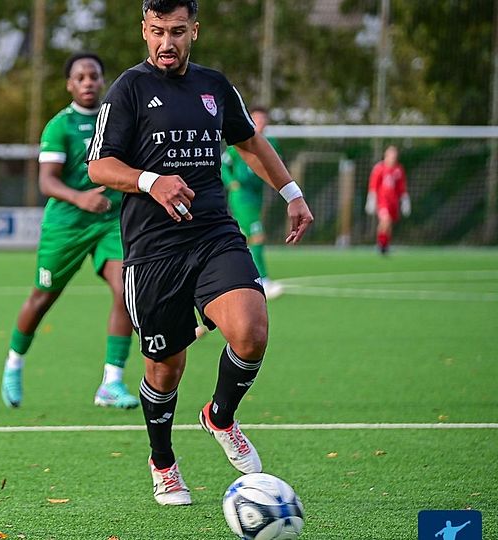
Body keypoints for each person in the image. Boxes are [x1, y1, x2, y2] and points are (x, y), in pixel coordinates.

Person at [86, 0, 313, 506]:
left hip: (213, 234)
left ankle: (221, 416)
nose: (168, 43)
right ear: (144, 31)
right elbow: (99, 167)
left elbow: (250, 144)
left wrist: (291, 193)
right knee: (165, 368)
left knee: (251, 333)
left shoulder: (214, 85)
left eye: (178, 32)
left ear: (195, 31)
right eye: (159, 32)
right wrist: (151, 181)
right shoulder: (129, 89)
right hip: (152, 250)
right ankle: (163, 463)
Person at [1, 53, 139, 410]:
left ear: (103, 80)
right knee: (43, 297)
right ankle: (14, 363)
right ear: (70, 85)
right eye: (81, 77)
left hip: (110, 221)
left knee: (126, 290)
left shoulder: (119, 122)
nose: (88, 82)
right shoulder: (59, 126)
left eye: (94, 76)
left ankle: (112, 381)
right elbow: (47, 182)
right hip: (66, 224)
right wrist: (80, 198)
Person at [220, 106, 283, 299]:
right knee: (257, 235)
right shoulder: (238, 142)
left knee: (244, 237)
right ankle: (262, 279)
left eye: (263, 119)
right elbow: (222, 164)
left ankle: (234, 275)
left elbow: (273, 165)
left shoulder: (270, 142)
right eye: (256, 119)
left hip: (256, 195)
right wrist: (232, 184)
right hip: (242, 196)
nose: (260, 123)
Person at [366, 144, 410, 255]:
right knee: (385, 220)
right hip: (382, 201)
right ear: (386, 155)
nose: (393, 157)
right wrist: (371, 199)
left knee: (389, 223)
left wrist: (405, 200)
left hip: (393, 202)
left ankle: (385, 245)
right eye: (391, 154)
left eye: (394, 155)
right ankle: (380, 244)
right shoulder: (379, 168)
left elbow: (401, 187)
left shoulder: (398, 169)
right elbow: (373, 185)